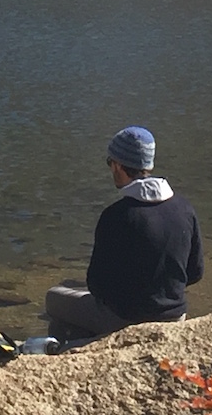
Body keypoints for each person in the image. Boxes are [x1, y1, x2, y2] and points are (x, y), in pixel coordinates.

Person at [81, 124, 201, 334]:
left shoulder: (116, 215)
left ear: (118, 165)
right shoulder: (184, 209)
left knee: (56, 299)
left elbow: (96, 284)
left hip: (126, 319)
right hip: (175, 316)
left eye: (110, 162)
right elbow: (195, 272)